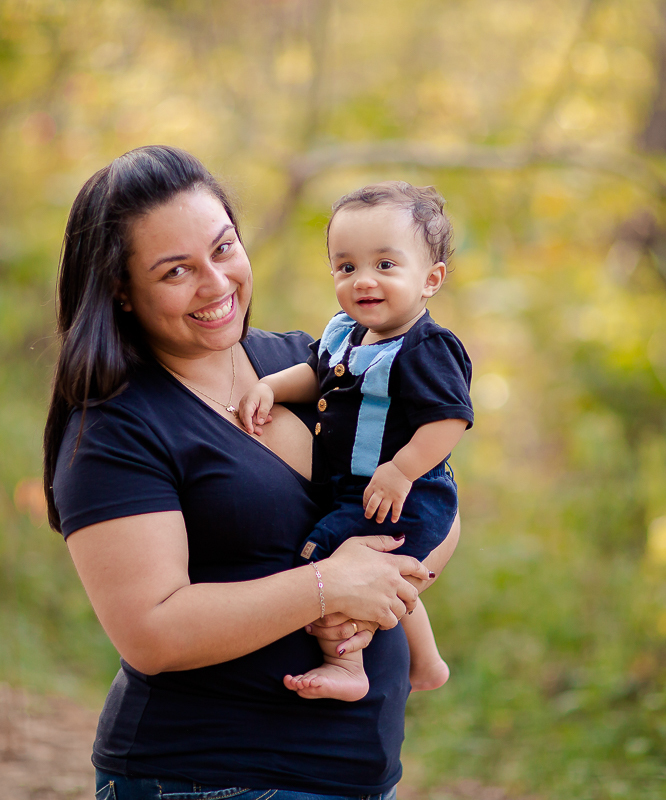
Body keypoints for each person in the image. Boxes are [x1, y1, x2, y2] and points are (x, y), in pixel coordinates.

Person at [43, 146, 460, 800]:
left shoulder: (312, 362)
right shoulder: (115, 429)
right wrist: (329, 585)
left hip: (357, 776)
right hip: (208, 777)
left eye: (223, 248)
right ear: (122, 292)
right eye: (176, 270)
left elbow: (438, 497)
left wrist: (388, 576)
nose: (216, 283)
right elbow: (153, 631)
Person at [237, 182, 472, 703]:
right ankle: (427, 661)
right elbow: (315, 374)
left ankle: (347, 666)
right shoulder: (346, 334)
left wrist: (402, 469)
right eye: (346, 268)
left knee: (325, 559)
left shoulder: (426, 347)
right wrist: (269, 386)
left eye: (386, 265)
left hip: (404, 492)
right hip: (360, 488)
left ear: (430, 279)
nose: (363, 280)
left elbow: (449, 420)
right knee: (380, 571)